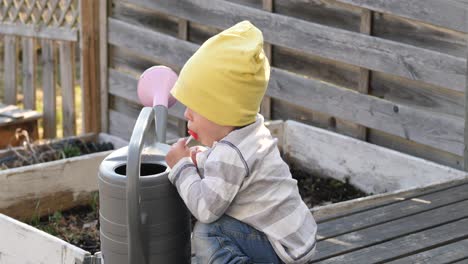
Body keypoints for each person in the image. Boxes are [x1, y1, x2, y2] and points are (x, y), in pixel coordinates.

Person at [165, 20, 317, 264]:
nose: (186, 114)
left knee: (208, 231)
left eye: (195, 106)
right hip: (296, 241)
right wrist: (202, 158)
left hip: (282, 251)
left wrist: (181, 167)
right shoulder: (252, 130)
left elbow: (205, 207)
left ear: (221, 110)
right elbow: (231, 168)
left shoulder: (231, 154)